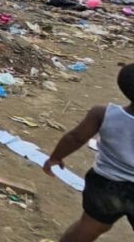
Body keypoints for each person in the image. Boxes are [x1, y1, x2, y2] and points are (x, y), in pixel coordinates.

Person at [44, 64, 134, 241]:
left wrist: (56, 157)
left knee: (89, 227)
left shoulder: (103, 114)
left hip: (105, 184)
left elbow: (75, 138)